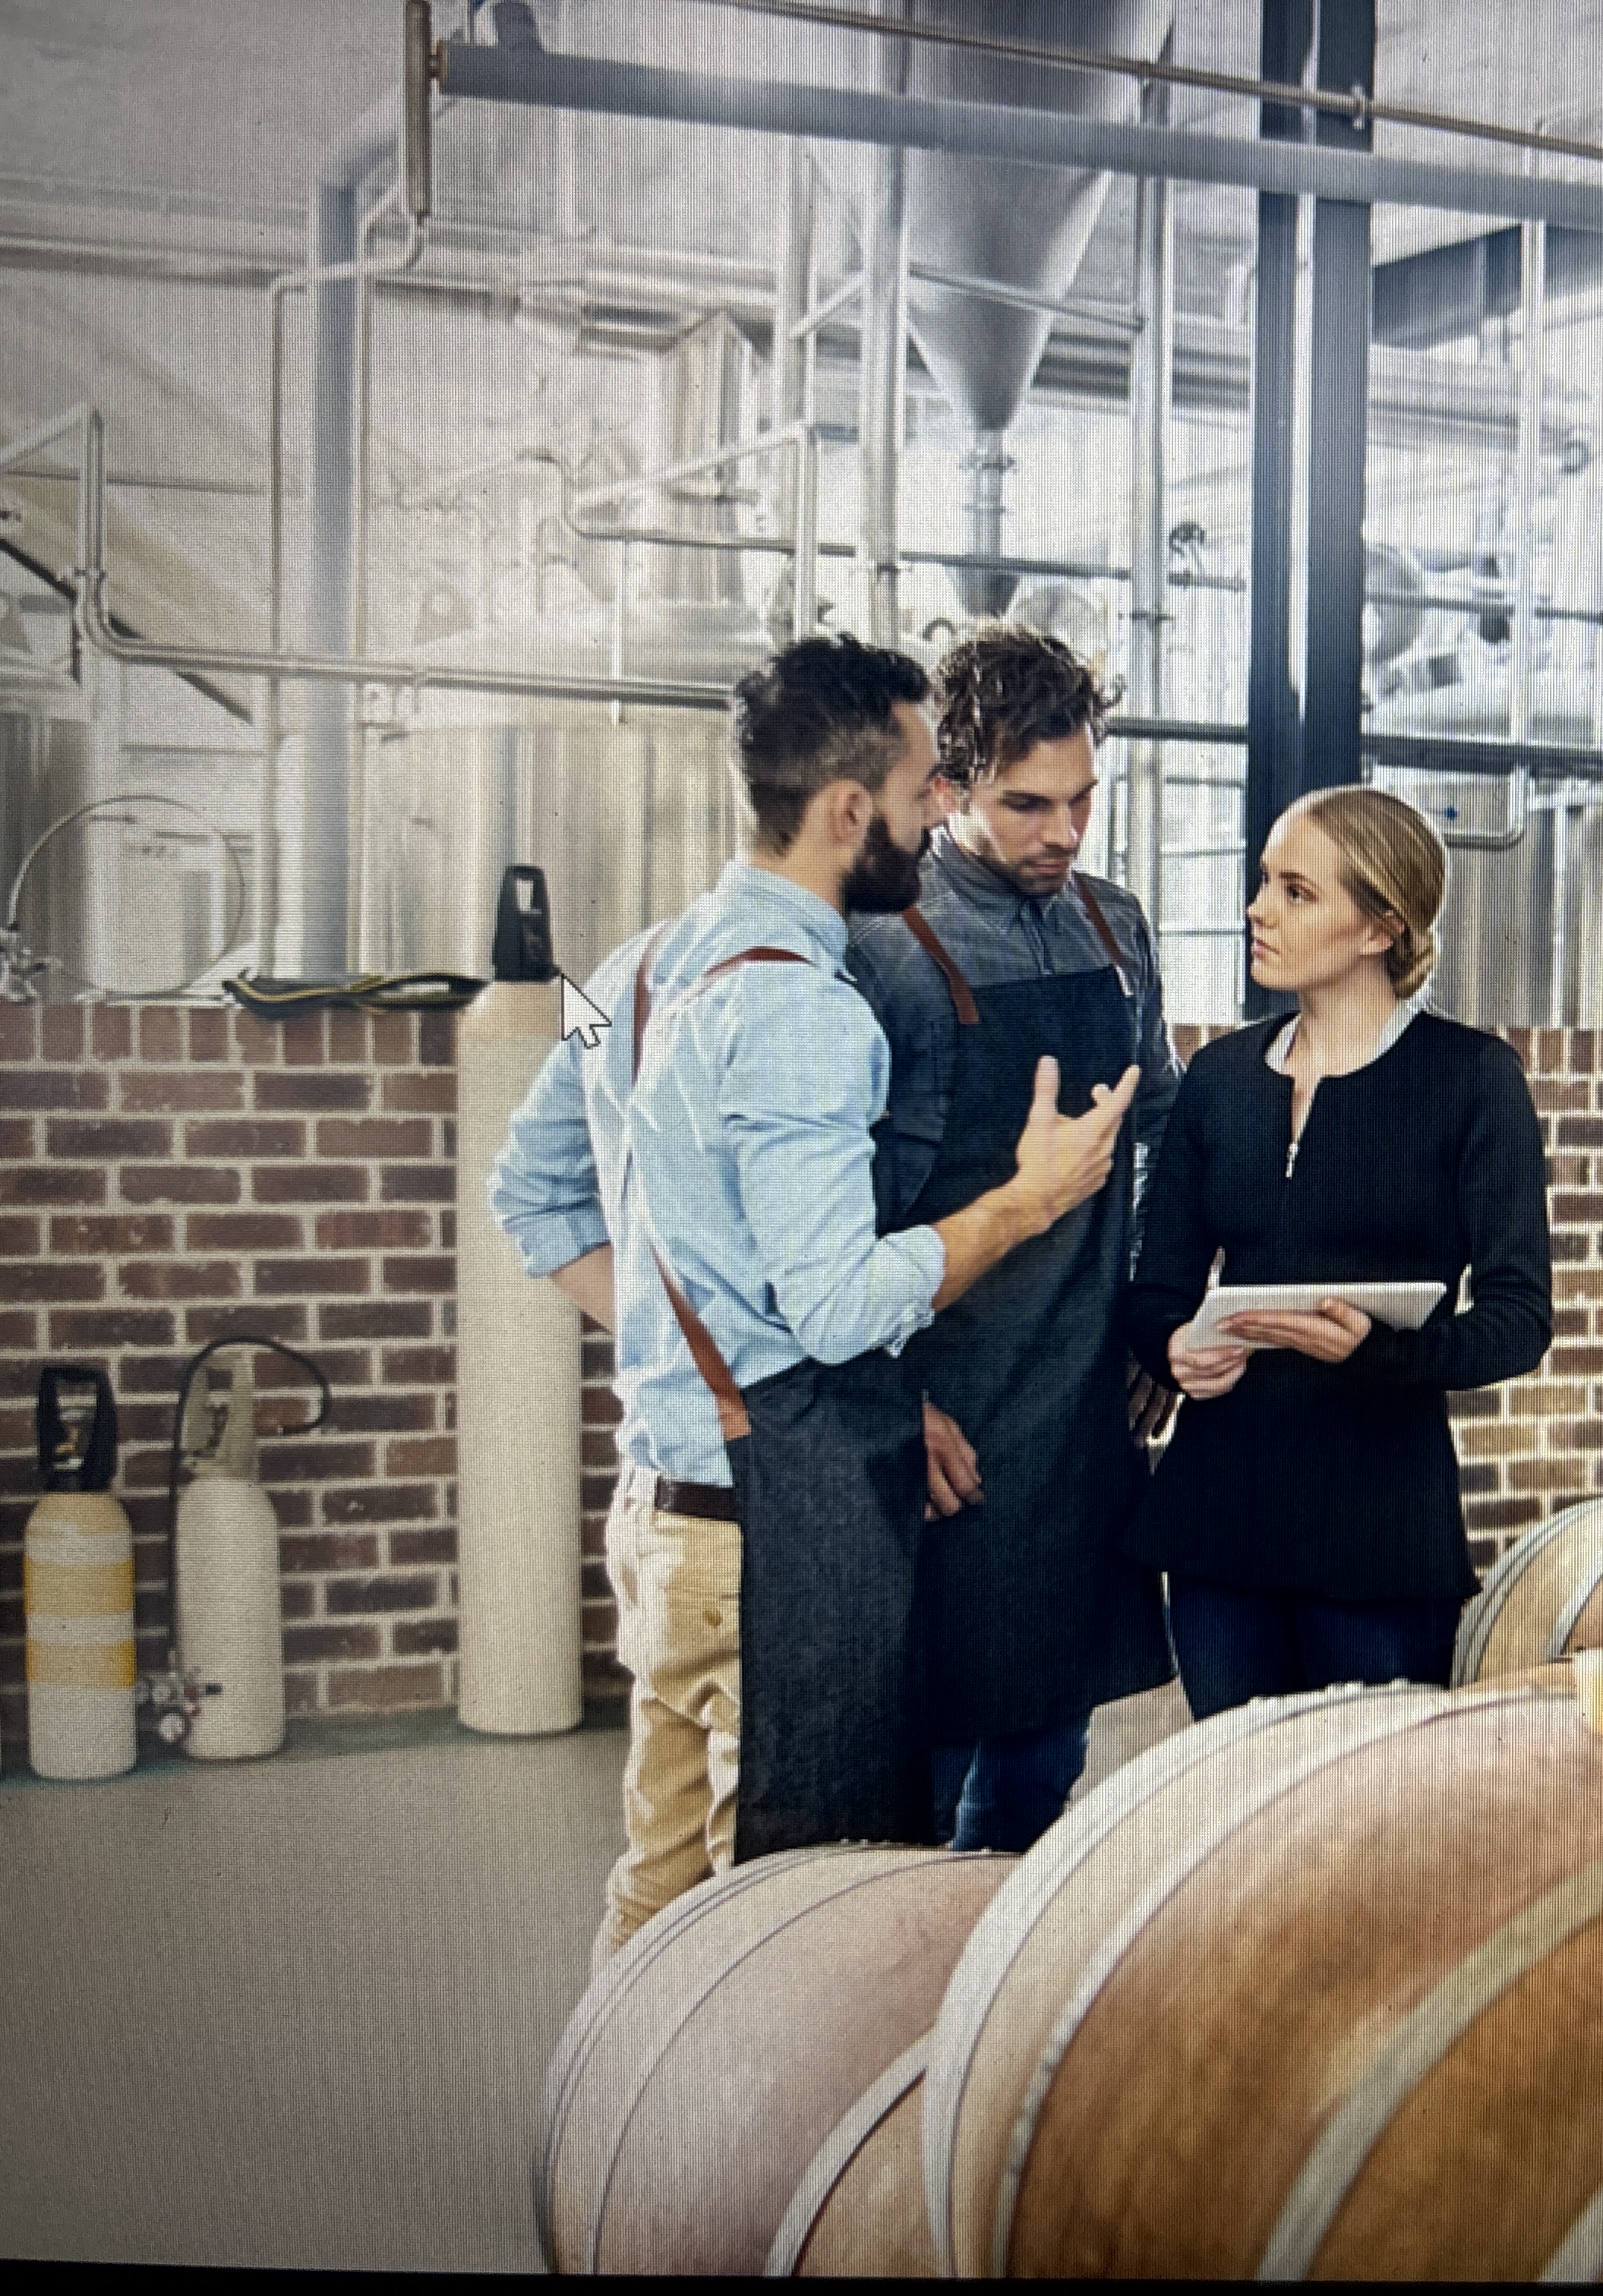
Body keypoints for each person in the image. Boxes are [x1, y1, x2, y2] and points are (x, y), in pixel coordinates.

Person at [490, 636, 1136, 1969]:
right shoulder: (812, 1009)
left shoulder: (626, 970)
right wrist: (1026, 1197)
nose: (930, 813)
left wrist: (691, 1346)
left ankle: (614, 2158)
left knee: (660, 1888)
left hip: (662, 1511)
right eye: (921, 791)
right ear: (855, 810)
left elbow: (530, 1194)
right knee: (793, 1933)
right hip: (769, 1541)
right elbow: (840, 1307)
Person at [844, 626, 1175, 1853]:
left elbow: (1170, 1127)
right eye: (1027, 803)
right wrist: (891, 1396)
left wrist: (1157, 1308)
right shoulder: (882, 944)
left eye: (1083, 798)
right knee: (910, 1771)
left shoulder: (1118, 925)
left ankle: (989, 1984)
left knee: (1048, 1746)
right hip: (943, 1412)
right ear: (949, 788)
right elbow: (840, 1214)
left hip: (1079, 1402)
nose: (1065, 832)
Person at [1119, 785, 1553, 1717]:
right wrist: (1172, 1350)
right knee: (1237, 1821)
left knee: (1375, 1835)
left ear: (1379, 928)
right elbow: (1156, 1288)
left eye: (1297, 892)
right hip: (1217, 1529)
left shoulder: (1472, 1082)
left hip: (1380, 1538)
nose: (1258, 909)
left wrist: (1380, 1350)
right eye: (1264, 882)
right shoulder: (1219, 1078)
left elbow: (1520, 1320)